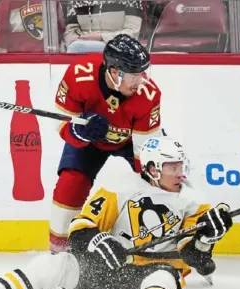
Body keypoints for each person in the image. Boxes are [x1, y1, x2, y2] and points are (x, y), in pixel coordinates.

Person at [0, 136, 234, 289]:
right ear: (153, 168)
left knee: (164, 276)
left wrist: (206, 239)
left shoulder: (194, 201)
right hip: (108, 274)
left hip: (153, 276)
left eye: (181, 165)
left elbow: (198, 261)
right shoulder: (119, 188)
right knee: (57, 263)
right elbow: (79, 229)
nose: (180, 173)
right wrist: (99, 239)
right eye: (172, 166)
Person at [50, 33, 163, 253]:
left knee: (160, 176)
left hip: (131, 140)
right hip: (90, 140)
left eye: (143, 73)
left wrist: (152, 180)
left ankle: (177, 241)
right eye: (134, 75)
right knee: (70, 184)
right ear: (114, 72)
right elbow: (62, 124)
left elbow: (145, 149)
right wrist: (80, 130)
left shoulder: (148, 94)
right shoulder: (79, 74)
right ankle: (59, 252)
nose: (142, 80)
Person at [64, 0, 143, 53]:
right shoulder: (75, 2)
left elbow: (132, 33)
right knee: (75, 48)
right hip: (82, 45)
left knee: (76, 47)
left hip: (119, 46)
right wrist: (80, 39)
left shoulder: (131, 1)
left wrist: (101, 37)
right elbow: (70, 32)